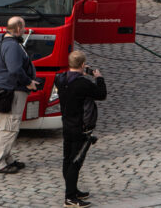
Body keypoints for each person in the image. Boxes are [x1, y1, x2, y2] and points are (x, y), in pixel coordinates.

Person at [55, 50, 106, 208]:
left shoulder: (60, 79)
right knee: (75, 161)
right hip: (80, 127)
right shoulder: (83, 84)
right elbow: (101, 94)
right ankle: (70, 197)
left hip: (67, 124)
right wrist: (99, 78)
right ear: (83, 65)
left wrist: (81, 71)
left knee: (67, 159)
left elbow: (72, 75)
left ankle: (72, 189)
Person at [0, 16, 40, 174]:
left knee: (6, 125)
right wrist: (28, 82)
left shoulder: (0, 41)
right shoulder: (12, 46)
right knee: (9, 127)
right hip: (13, 90)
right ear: (18, 29)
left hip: (4, 88)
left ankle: (7, 158)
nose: (24, 30)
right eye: (23, 28)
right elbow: (15, 70)